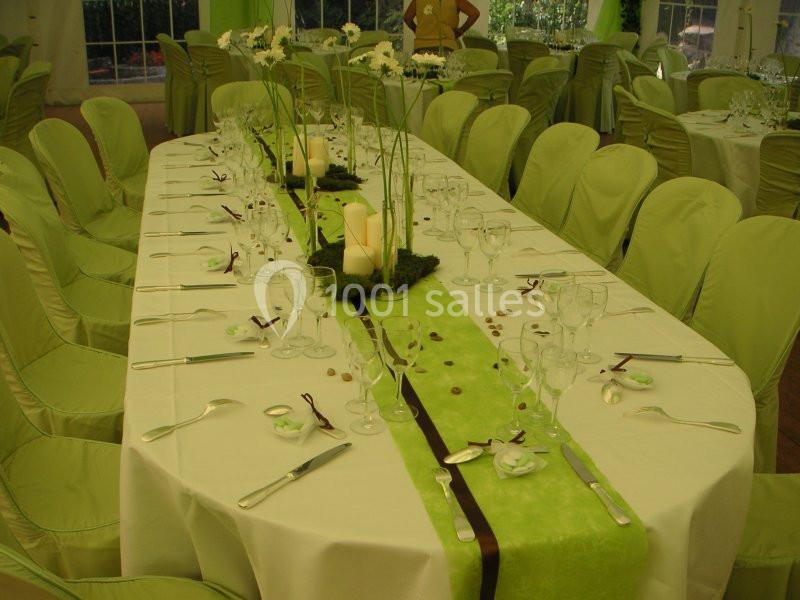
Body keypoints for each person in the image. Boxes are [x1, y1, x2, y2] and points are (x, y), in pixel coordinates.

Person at [403, 0, 480, 54]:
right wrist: (461, 30)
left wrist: (417, 31)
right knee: (447, 76)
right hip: (446, 47)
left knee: (421, 76)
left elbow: (407, 18)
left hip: (421, 48)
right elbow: (475, 13)